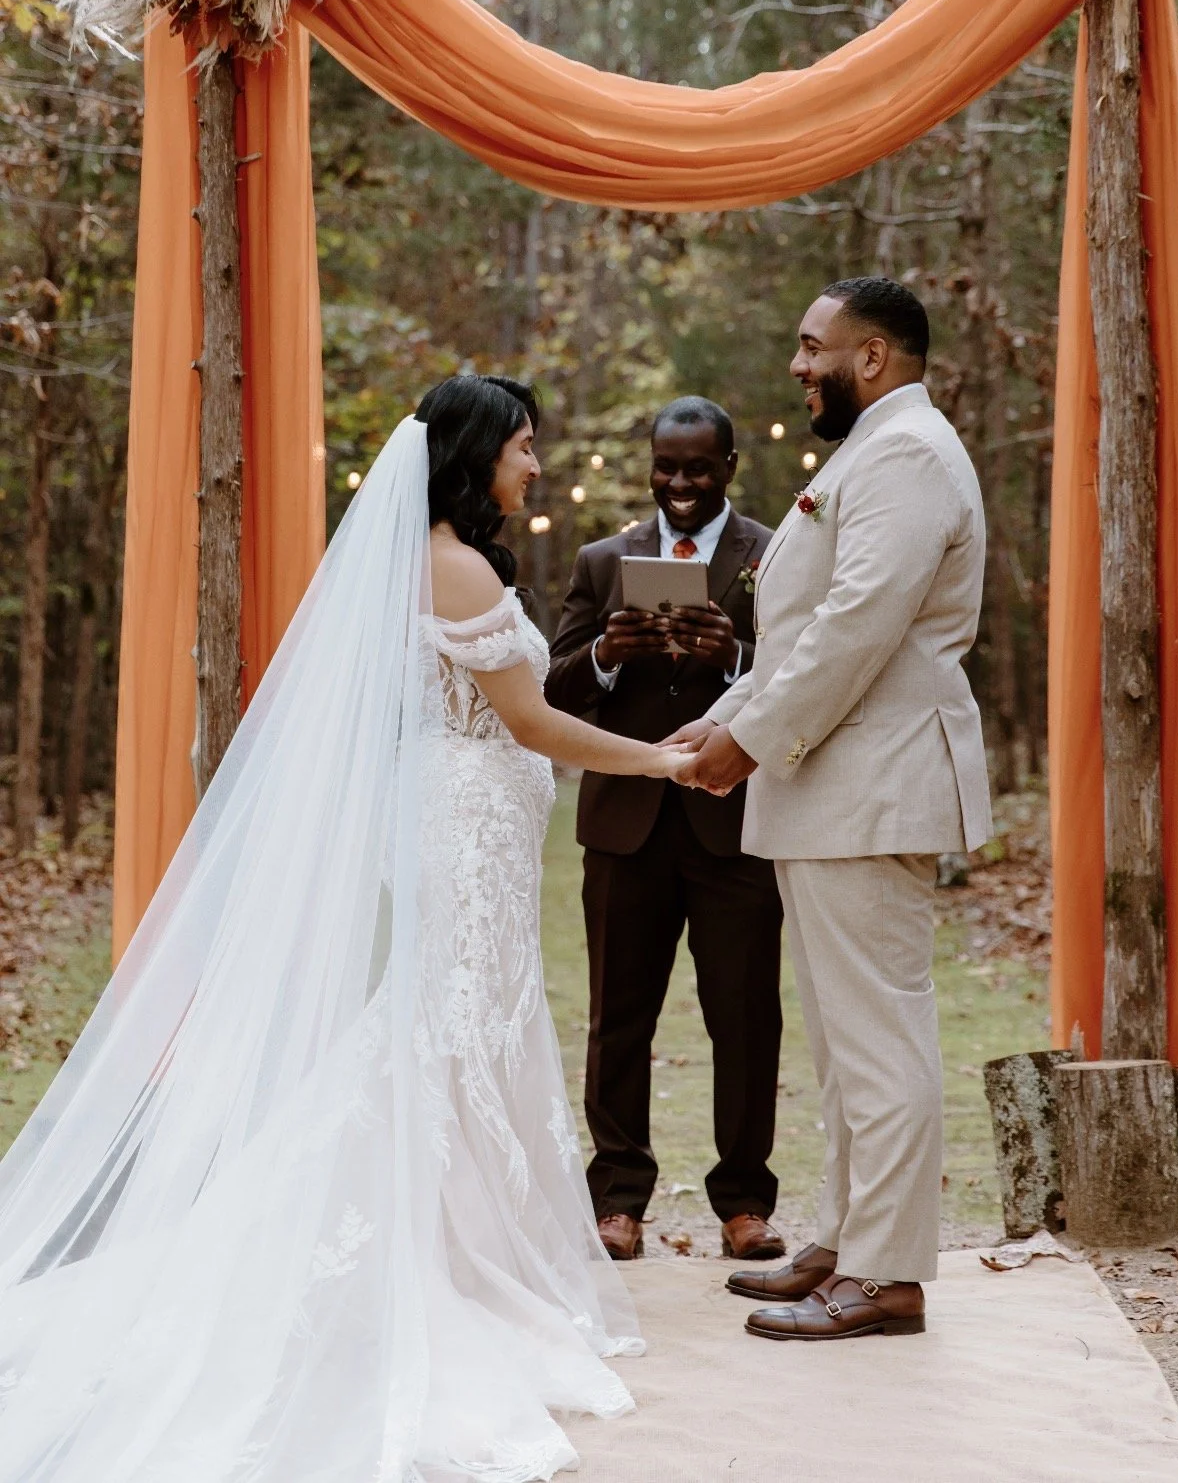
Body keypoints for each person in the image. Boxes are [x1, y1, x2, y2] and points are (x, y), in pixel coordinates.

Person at [0, 375, 697, 1482]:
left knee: (460, 1028)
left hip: (472, 820)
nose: (534, 465)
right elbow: (530, 717)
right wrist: (665, 758)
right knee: (451, 1032)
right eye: (522, 446)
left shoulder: (436, 559)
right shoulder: (455, 562)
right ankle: (443, 1260)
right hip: (464, 825)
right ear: (474, 456)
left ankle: (461, 1243)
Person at [673, 280, 992, 1341]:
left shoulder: (907, 454)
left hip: (874, 782)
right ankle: (850, 1238)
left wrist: (748, 741)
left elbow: (857, 628)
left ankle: (891, 1274)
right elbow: (807, 632)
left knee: (881, 1038)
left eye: (814, 348)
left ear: (874, 356)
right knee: (842, 1041)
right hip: (835, 786)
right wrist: (720, 717)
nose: (799, 366)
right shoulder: (872, 448)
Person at [546, 397, 784, 1265]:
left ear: (728, 466)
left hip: (735, 825)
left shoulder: (773, 552)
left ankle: (745, 1202)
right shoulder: (603, 559)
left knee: (747, 1016)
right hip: (625, 827)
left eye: (697, 468)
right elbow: (554, 691)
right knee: (618, 1018)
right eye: (666, 466)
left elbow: (803, 672)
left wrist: (735, 658)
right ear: (650, 464)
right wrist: (610, 650)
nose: (680, 484)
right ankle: (617, 1200)